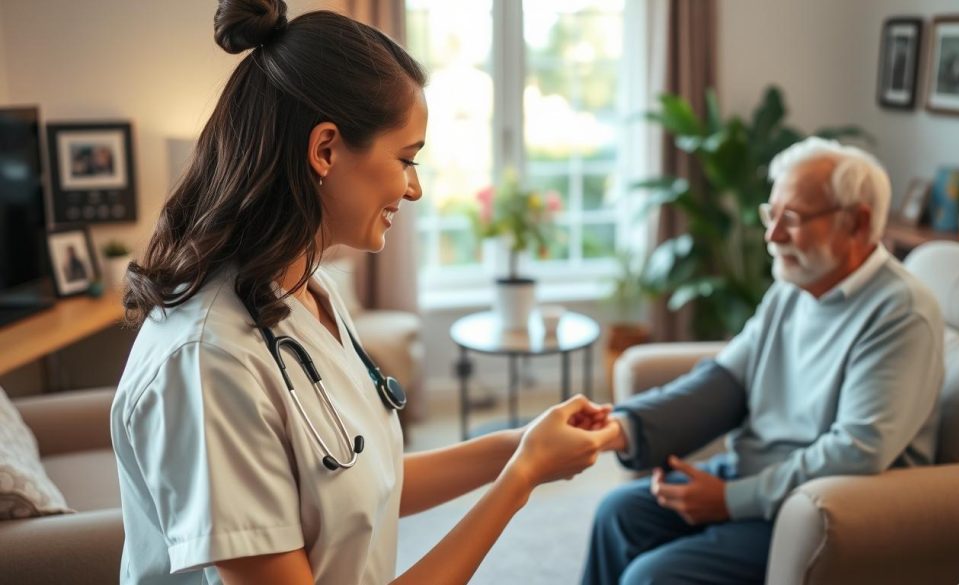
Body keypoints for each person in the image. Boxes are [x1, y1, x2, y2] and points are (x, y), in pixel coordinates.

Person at [112, 3, 618, 584]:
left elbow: (358, 479)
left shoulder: (305, 291)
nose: (416, 187)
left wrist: (518, 443)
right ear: (325, 149)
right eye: (406, 159)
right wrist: (520, 478)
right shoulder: (208, 361)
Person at [581, 137, 945, 584]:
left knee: (653, 577)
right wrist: (618, 429)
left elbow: (857, 451)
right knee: (616, 514)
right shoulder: (793, 288)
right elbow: (724, 381)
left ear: (857, 222)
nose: (772, 236)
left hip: (822, 510)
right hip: (752, 477)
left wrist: (733, 499)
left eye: (791, 219)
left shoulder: (901, 313)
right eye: (771, 215)